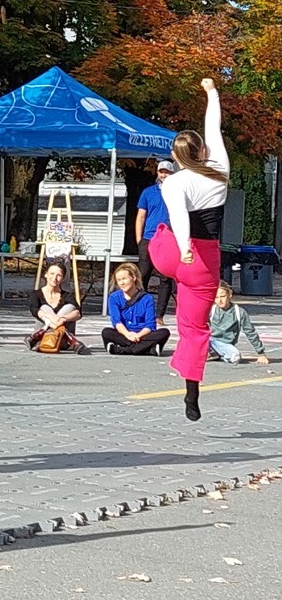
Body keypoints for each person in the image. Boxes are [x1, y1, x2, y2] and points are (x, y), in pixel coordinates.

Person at [151, 79, 229, 421]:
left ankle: (163, 271)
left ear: (174, 157)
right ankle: (191, 394)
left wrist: (180, 249)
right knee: (195, 330)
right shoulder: (219, 169)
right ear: (202, 152)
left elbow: (179, 218)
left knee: (159, 232)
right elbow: (214, 126)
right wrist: (211, 92)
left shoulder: (173, 181)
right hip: (203, 261)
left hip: (169, 255)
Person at [100, 262, 171, 356]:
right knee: (106, 332)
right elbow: (116, 321)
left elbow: (150, 325)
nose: (122, 283)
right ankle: (146, 349)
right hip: (124, 334)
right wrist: (128, 334)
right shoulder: (114, 298)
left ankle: (122, 350)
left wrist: (138, 335)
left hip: (142, 335)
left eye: (124, 279)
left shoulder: (147, 298)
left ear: (133, 278)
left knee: (164, 332)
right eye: (119, 280)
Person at [137, 158, 176, 315]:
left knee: (166, 278)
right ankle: (141, 310)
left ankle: (159, 314)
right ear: (157, 172)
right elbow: (141, 216)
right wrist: (139, 239)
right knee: (142, 276)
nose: (164, 175)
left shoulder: (178, 192)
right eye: (162, 171)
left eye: (168, 172)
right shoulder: (148, 192)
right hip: (149, 238)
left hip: (169, 239)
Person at [27, 263, 90, 353]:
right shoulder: (36, 294)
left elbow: (78, 313)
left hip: (62, 340)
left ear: (63, 278)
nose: (54, 277)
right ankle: (72, 340)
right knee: (44, 308)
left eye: (59, 275)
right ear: (46, 274)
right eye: (52, 274)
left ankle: (35, 338)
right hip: (45, 338)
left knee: (70, 307)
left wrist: (62, 319)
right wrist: (49, 316)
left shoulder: (67, 296)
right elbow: (34, 310)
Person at [208, 284, 268, 365]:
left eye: (222, 296)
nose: (219, 300)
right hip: (210, 342)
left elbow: (250, 332)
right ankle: (212, 353)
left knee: (235, 357)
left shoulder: (239, 312)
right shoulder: (211, 310)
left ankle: (216, 354)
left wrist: (261, 353)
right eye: (216, 297)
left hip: (226, 345)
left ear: (230, 295)